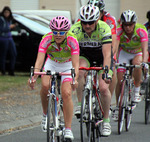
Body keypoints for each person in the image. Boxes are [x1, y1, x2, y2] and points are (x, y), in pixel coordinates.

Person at [28, 16, 79, 140]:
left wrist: (75, 79)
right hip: (52, 63)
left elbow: (76, 64)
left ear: (66, 32)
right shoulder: (46, 39)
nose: (58, 35)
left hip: (67, 65)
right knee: (45, 86)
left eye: (61, 32)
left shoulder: (72, 40)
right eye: (55, 31)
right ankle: (45, 114)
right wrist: (34, 76)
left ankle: (68, 128)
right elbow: (40, 60)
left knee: (66, 93)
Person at [70, 4, 113, 136]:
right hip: (84, 55)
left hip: (101, 57)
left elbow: (107, 55)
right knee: (80, 72)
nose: (87, 26)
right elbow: (73, 54)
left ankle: (106, 121)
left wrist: (106, 72)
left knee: (104, 88)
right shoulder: (75, 29)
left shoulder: (104, 28)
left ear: (96, 20)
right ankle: (79, 103)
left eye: (90, 23)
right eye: (84, 23)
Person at [112, 10, 149, 121]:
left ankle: (136, 90)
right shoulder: (119, 31)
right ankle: (118, 105)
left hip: (137, 52)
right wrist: (113, 60)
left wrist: (145, 62)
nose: (128, 28)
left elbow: (145, 49)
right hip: (124, 53)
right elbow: (115, 48)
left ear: (134, 23)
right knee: (119, 80)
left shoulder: (141, 30)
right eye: (125, 25)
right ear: (122, 24)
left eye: (130, 25)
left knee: (137, 64)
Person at [87, 0, 117, 112]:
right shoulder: (85, 19)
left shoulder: (109, 20)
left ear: (102, 12)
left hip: (105, 47)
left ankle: (108, 101)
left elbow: (113, 42)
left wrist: (111, 56)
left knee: (111, 69)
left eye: (97, 12)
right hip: (90, 50)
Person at [0, 6, 17, 76]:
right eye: (5, 12)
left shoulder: (9, 20)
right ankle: (3, 70)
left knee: (14, 54)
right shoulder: (1, 19)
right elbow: (2, 29)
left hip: (10, 38)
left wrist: (13, 27)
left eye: (8, 12)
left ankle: (11, 70)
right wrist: (9, 27)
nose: (7, 14)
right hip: (3, 38)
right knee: (3, 55)